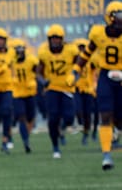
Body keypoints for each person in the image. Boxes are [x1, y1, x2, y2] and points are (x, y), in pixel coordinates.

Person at [71, 1, 122, 170]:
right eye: (118, 16)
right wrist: (76, 70)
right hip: (105, 77)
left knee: (119, 118)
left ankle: (117, 132)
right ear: (109, 18)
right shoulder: (98, 33)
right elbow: (86, 53)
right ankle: (106, 155)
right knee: (105, 115)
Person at [37, 24, 79, 159]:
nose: (55, 41)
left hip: (67, 88)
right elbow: (38, 72)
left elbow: (79, 65)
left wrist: (75, 76)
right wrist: (43, 81)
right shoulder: (44, 52)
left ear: (62, 39)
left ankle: (62, 128)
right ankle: (55, 146)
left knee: (69, 118)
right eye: (52, 38)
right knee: (52, 118)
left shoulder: (71, 50)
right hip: (52, 89)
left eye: (57, 38)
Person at [10, 39, 39, 153]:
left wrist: (35, 80)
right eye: (17, 50)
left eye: (21, 49)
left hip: (30, 92)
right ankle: (26, 141)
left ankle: (26, 136)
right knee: (22, 116)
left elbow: (38, 72)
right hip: (17, 93)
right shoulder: (10, 62)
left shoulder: (31, 60)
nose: (19, 52)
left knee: (31, 117)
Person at [73, 39, 98, 146]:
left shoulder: (91, 60)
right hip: (77, 89)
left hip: (89, 90)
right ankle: (81, 126)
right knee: (78, 110)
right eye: (79, 47)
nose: (81, 50)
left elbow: (97, 70)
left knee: (89, 114)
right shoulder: (72, 60)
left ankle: (87, 133)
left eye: (83, 47)